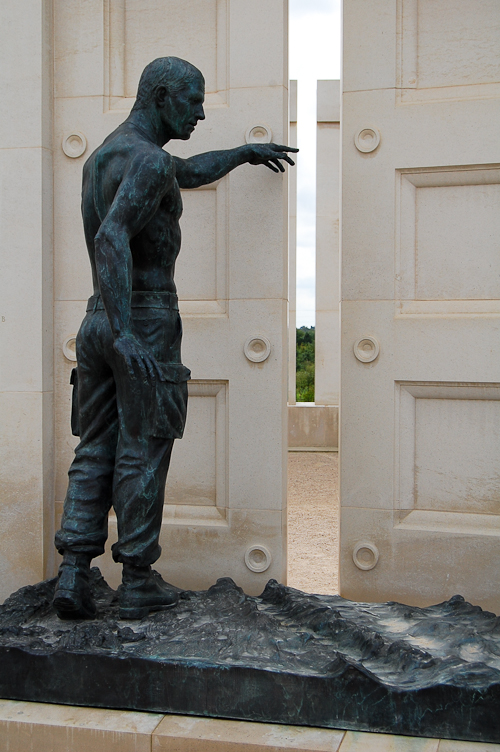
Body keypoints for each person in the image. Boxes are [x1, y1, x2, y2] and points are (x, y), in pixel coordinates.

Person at [53, 56, 297, 620]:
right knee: (144, 449)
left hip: (96, 318)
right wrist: (127, 333)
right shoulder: (149, 162)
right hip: (141, 319)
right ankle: (137, 579)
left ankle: (74, 573)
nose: (201, 112)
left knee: (94, 448)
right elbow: (114, 237)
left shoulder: (104, 158)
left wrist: (241, 154)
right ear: (162, 96)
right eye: (194, 101)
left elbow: (184, 172)